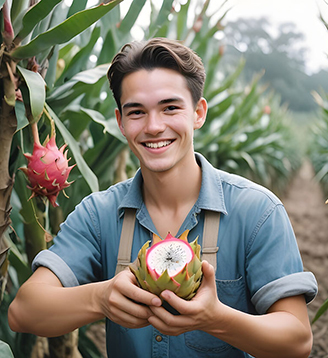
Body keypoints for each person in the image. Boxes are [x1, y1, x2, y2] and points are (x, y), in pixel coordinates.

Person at [8, 38, 318, 358]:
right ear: (120, 122)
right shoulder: (98, 215)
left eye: (170, 108)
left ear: (198, 113)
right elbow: (23, 312)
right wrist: (100, 298)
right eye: (137, 112)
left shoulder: (258, 211)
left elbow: (297, 341)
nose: (154, 126)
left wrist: (217, 318)